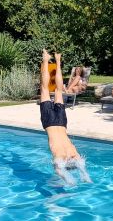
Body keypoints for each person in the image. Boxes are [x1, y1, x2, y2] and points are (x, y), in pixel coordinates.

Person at [39, 50, 91, 185]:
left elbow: (81, 165)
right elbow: (59, 170)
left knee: (57, 90)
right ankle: (47, 60)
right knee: (45, 89)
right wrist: (67, 178)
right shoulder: (63, 155)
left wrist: (84, 174)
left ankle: (57, 60)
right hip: (50, 123)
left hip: (62, 123)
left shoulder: (74, 154)